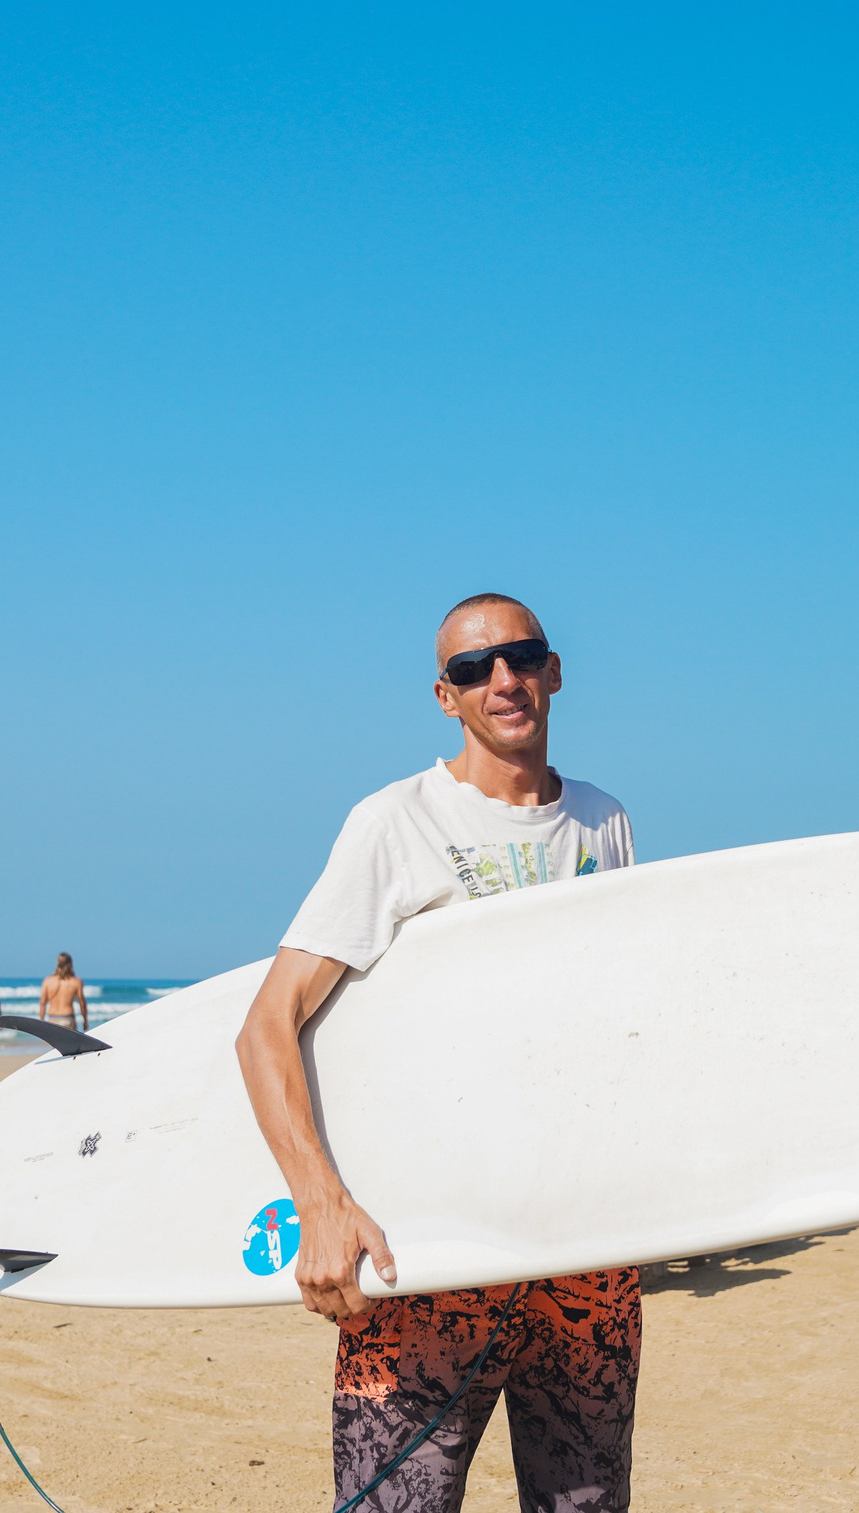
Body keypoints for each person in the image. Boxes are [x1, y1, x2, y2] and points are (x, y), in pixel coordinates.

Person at [236, 592, 640, 1513]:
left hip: (586, 1258)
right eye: (472, 668)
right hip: (425, 1258)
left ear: (556, 670)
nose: (502, 679)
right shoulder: (396, 824)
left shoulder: (606, 823)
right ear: (445, 696)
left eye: (522, 656)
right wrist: (321, 1206)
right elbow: (267, 1027)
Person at [40, 952, 88, 1032]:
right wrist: (85, 1021)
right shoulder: (76, 981)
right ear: (70, 964)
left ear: (57, 963)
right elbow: (82, 1003)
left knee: (53, 1044)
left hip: (52, 1019)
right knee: (70, 1044)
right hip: (68, 1019)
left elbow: (43, 1003)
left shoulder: (48, 981)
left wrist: (41, 1021)